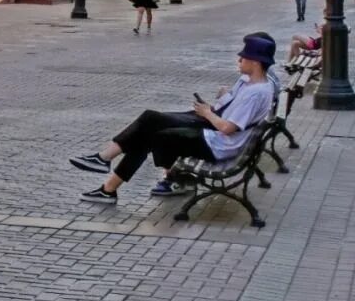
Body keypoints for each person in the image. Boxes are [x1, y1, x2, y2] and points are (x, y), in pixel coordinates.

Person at [71, 33, 278, 202]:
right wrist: (221, 100)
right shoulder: (251, 82)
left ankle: (107, 172)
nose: (238, 60)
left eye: (243, 57)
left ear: (256, 62)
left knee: (150, 132)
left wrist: (206, 113)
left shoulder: (256, 92)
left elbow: (228, 128)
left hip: (217, 142)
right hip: (213, 128)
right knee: (150, 121)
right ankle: (107, 180)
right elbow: (231, 112)